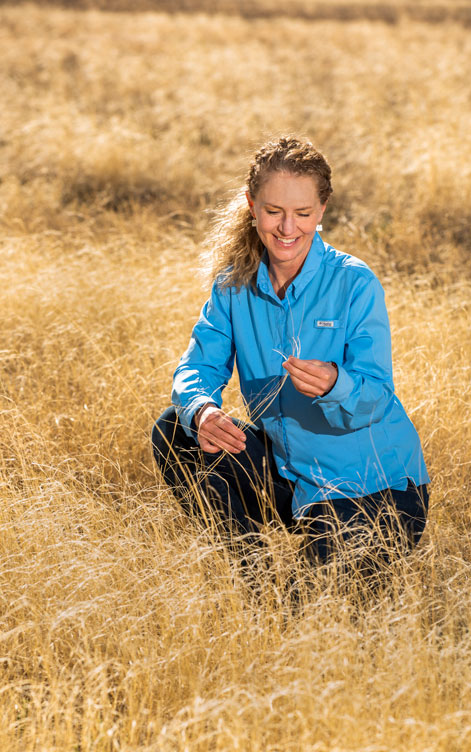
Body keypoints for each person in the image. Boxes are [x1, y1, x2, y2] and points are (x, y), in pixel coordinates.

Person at [152, 136, 430, 565]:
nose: (287, 228)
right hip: (289, 474)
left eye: (302, 214)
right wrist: (203, 410)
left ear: (321, 210)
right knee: (176, 429)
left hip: (376, 489)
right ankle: (250, 571)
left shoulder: (354, 283)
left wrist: (337, 385)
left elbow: (376, 394)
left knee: (315, 608)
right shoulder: (232, 285)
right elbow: (198, 367)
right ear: (251, 204)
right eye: (273, 211)